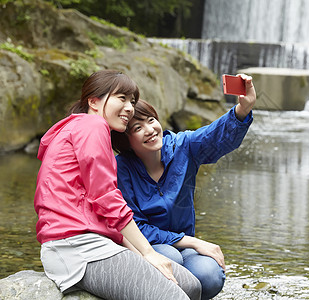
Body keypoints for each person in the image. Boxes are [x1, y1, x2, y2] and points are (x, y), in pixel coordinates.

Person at [34, 69, 202, 300]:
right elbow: (106, 197)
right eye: (121, 98)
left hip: (99, 241)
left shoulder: (82, 128)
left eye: (132, 101)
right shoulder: (91, 126)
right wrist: (147, 252)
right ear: (94, 101)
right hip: (76, 246)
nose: (129, 108)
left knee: (191, 285)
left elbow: (101, 210)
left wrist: (142, 255)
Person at [111, 74, 256, 299]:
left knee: (209, 276)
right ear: (125, 141)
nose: (149, 130)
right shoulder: (121, 168)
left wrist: (242, 110)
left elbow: (215, 137)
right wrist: (195, 242)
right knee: (172, 258)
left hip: (184, 246)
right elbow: (134, 225)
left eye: (151, 120)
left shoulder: (183, 146)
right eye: (137, 128)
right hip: (149, 247)